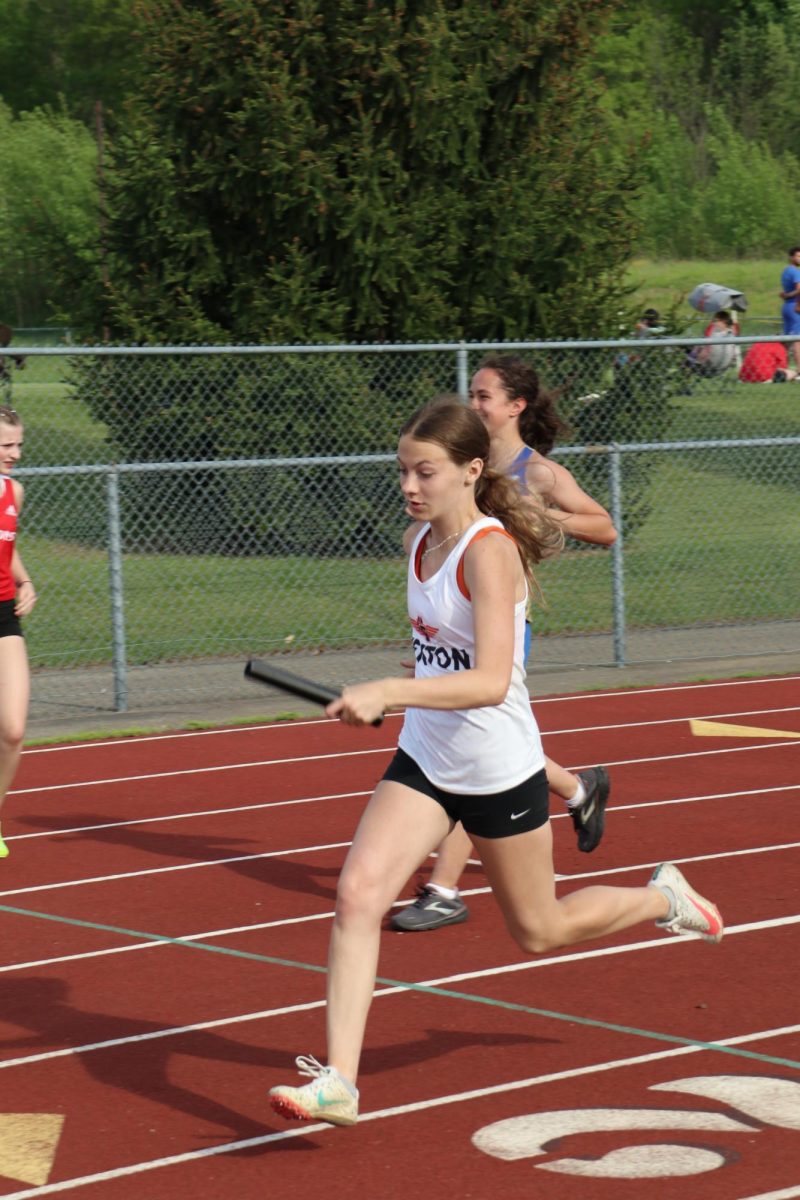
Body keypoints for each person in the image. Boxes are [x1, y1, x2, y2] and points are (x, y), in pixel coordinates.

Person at [267, 399, 723, 1128]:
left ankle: (661, 898)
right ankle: (341, 1081)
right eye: (403, 472)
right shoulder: (419, 544)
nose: (410, 487)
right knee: (358, 896)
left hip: (498, 769)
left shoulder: (490, 550)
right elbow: (435, 661)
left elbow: (486, 681)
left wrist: (389, 689)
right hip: (425, 758)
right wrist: (390, 696)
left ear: (471, 471)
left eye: (426, 472)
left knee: (539, 931)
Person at [391, 355, 617, 933]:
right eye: (472, 394)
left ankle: (443, 886)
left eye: (485, 395)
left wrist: (538, 515)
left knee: (479, 744)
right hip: (456, 622)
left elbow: (604, 526)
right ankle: (576, 786)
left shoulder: (534, 471)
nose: (475, 404)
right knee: (475, 742)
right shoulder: (451, 459)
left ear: (515, 406)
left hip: (504, 624)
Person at [0, 406, 36, 858]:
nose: (16, 453)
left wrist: (25, 579)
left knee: (12, 730)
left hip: (3, 614)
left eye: (19, 444)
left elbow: (7, 546)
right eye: (7, 445)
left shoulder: (15, 492)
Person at [681, 311, 736, 389]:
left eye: (715, 321)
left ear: (723, 322)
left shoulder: (715, 336)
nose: (714, 323)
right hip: (723, 368)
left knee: (687, 357)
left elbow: (703, 355)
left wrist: (694, 354)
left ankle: (683, 385)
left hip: (707, 368)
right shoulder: (732, 336)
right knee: (692, 352)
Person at [779, 247, 800, 374]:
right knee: (797, 339)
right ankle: (799, 369)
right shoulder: (795, 272)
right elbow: (799, 289)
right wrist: (788, 296)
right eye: (798, 256)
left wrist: (786, 295)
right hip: (794, 306)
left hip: (786, 307)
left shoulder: (785, 271)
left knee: (786, 339)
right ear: (791, 257)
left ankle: (780, 365)